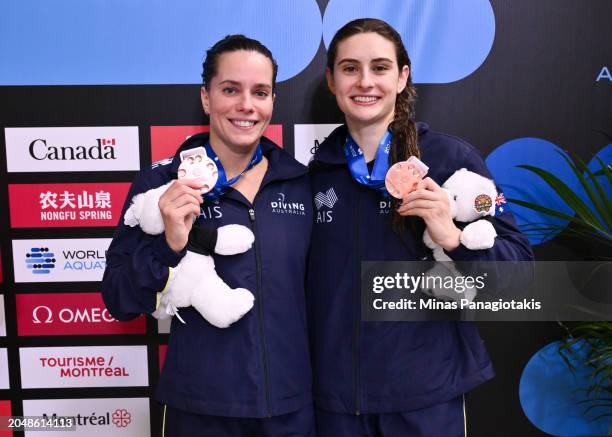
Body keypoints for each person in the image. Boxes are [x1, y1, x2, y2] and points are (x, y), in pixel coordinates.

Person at [307, 18, 533, 436]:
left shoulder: (451, 159)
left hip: (425, 395)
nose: (365, 82)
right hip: (337, 402)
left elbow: (519, 274)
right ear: (331, 80)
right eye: (350, 68)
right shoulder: (318, 172)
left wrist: (453, 237)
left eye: (379, 67)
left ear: (402, 77)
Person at [102, 35, 314, 436]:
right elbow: (119, 299)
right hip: (200, 409)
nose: (246, 105)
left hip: (290, 409)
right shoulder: (161, 183)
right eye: (230, 90)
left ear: (272, 101)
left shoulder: (300, 181)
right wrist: (169, 245)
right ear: (206, 98)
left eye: (261, 92)